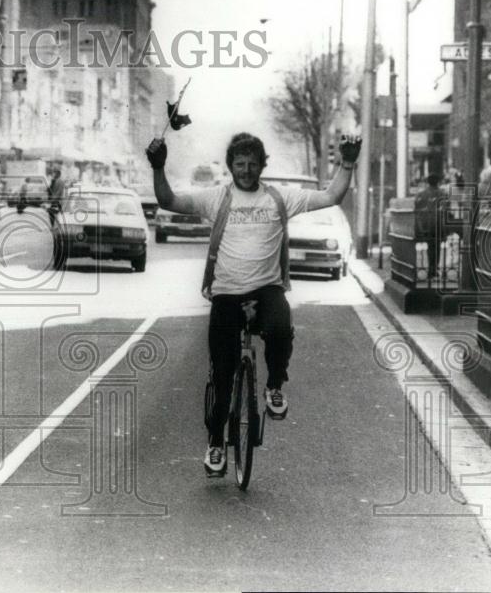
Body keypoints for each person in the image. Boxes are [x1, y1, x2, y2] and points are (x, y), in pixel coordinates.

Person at [146, 130, 361, 477]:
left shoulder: (279, 198)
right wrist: (158, 168)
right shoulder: (217, 198)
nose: (246, 170)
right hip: (227, 294)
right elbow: (169, 201)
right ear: (231, 165)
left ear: (264, 165)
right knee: (223, 374)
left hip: (267, 291)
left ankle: (274, 385)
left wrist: (347, 164)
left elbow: (331, 195)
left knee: (280, 328)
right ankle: (216, 442)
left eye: (252, 164)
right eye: (239, 164)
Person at [413, 173, 443, 280]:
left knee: (429, 247)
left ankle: (429, 269)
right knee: (436, 247)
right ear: (438, 182)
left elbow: (416, 209)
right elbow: (446, 208)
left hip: (425, 224)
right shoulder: (442, 193)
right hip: (438, 224)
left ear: (427, 182)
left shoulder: (421, 194)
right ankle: (434, 269)